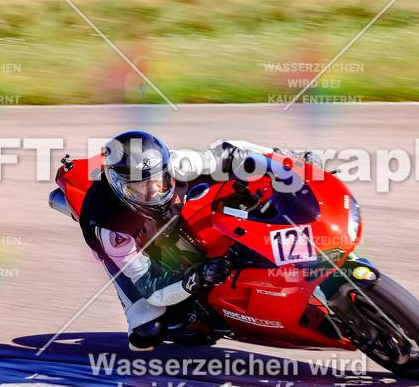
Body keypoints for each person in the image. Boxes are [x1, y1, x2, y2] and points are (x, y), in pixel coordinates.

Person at [78, 130, 319, 350]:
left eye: (158, 181)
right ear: (120, 187)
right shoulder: (111, 230)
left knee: (230, 171)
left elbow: (229, 154)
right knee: (147, 332)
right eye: (140, 187)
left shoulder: (175, 163)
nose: (153, 192)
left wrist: (288, 163)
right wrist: (199, 275)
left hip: (168, 216)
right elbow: (150, 286)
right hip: (131, 248)